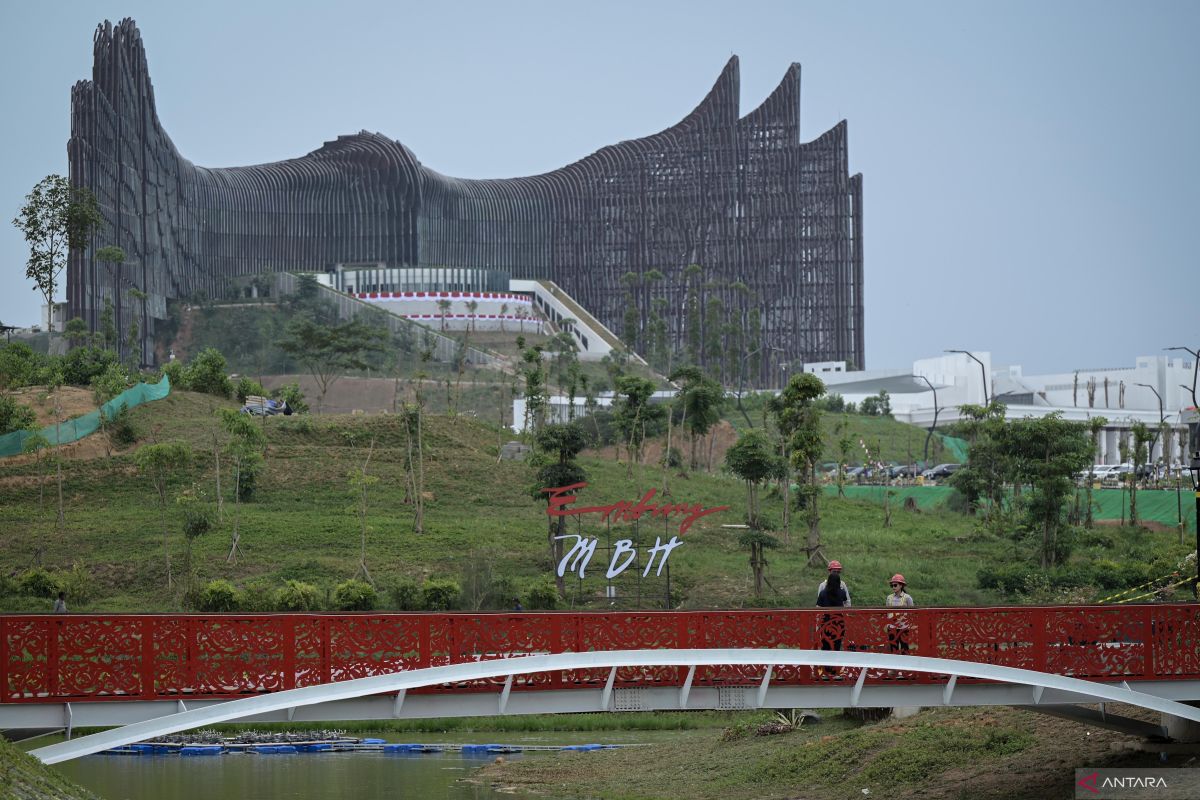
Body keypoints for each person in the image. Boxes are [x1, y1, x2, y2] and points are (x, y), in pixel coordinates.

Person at [885, 574, 914, 654]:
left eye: (895, 585)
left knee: (905, 648)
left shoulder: (907, 598)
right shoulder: (889, 597)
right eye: (892, 585)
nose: (893, 587)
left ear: (901, 585)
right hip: (892, 627)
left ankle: (906, 665)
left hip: (903, 627)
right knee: (893, 649)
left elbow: (912, 611)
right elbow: (887, 611)